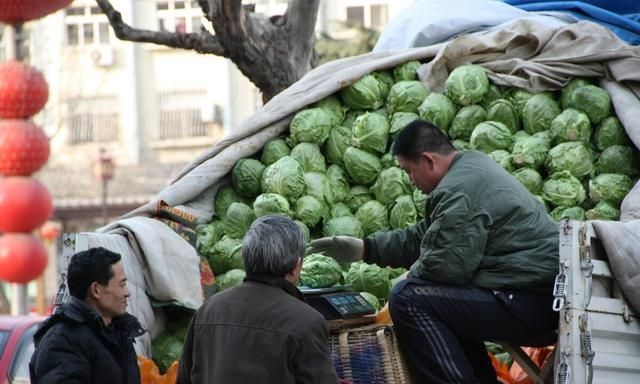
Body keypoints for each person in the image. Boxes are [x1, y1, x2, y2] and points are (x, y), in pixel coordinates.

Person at [308, 120, 559, 383]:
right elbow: (426, 236)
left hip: (529, 304)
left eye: (409, 171)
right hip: (531, 297)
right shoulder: (471, 168)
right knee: (441, 300)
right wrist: (366, 248)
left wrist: (410, 276)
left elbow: (444, 268)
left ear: (428, 160)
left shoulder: (459, 190)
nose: (410, 181)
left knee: (408, 299)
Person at [177, 215, 339, 384]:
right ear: (296, 266)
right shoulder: (307, 322)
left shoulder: (208, 309)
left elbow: (184, 379)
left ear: (245, 257)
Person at [30, 247, 145, 384]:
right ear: (96, 290)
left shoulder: (118, 332)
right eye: (122, 284)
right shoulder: (62, 340)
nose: (127, 293)